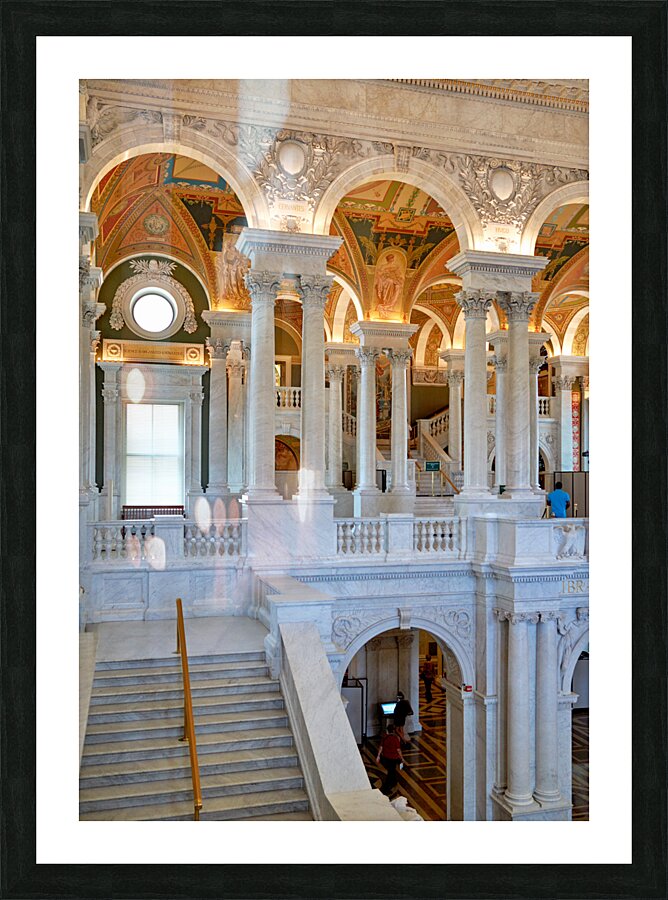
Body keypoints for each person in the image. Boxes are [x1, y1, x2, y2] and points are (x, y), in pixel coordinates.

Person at [375, 724, 405, 796]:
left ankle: (393, 782)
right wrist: (402, 758)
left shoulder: (385, 738)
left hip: (386, 758)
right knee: (391, 772)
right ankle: (386, 788)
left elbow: (381, 748)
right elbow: (398, 750)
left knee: (391, 771)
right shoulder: (395, 739)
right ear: (394, 731)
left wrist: (378, 756)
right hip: (393, 758)